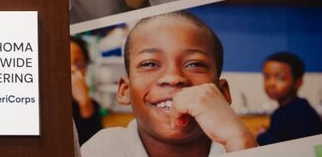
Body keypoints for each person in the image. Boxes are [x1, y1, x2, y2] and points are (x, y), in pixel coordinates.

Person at [82, 11, 256, 156]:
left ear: (222, 92)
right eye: (150, 64)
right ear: (125, 90)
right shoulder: (103, 149)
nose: (173, 78)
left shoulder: (241, 145)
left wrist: (238, 140)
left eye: (194, 64)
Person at [257, 51, 322, 145]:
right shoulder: (282, 111)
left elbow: (273, 143)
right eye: (267, 77)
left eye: (280, 78)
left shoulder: (300, 112)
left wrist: (260, 135)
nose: (271, 83)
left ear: (298, 82)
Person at [71, 35, 104, 145]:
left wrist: (84, 103)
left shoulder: (91, 105)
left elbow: (96, 147)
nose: (73, 69)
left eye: (79, 64)